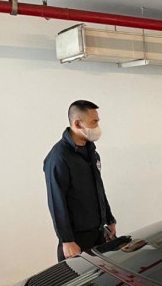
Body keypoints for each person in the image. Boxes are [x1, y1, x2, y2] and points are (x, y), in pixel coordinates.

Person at [44, 100, 116, 261]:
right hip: (76, 238)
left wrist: (109, 219)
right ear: (77, 123)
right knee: (79, 282)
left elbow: (99, 188)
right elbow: (57, 201)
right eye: (94, 122)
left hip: (98, 233)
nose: (98, 127)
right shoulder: (59, 158)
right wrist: (67, 240)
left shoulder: (91, 152)